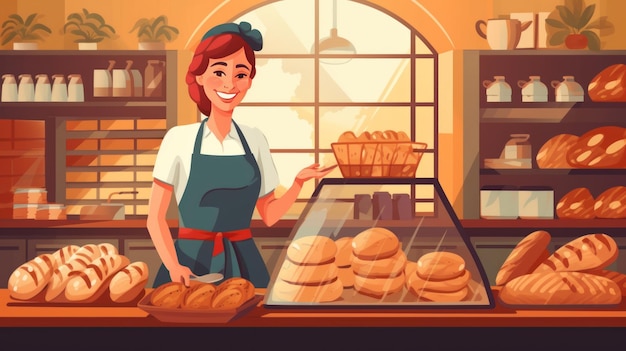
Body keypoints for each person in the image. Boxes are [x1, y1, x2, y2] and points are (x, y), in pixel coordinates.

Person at [147, 21, 333, 289]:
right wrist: (172, 264)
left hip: (244, 264)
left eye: (240, 74)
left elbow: (268, 215)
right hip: (188, 264)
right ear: (199, 75)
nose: (229, 83)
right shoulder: (178, 139)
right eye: (219, 72)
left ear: (249, 81)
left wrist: (298, 184)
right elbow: (155, 217)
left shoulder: (255, 139)